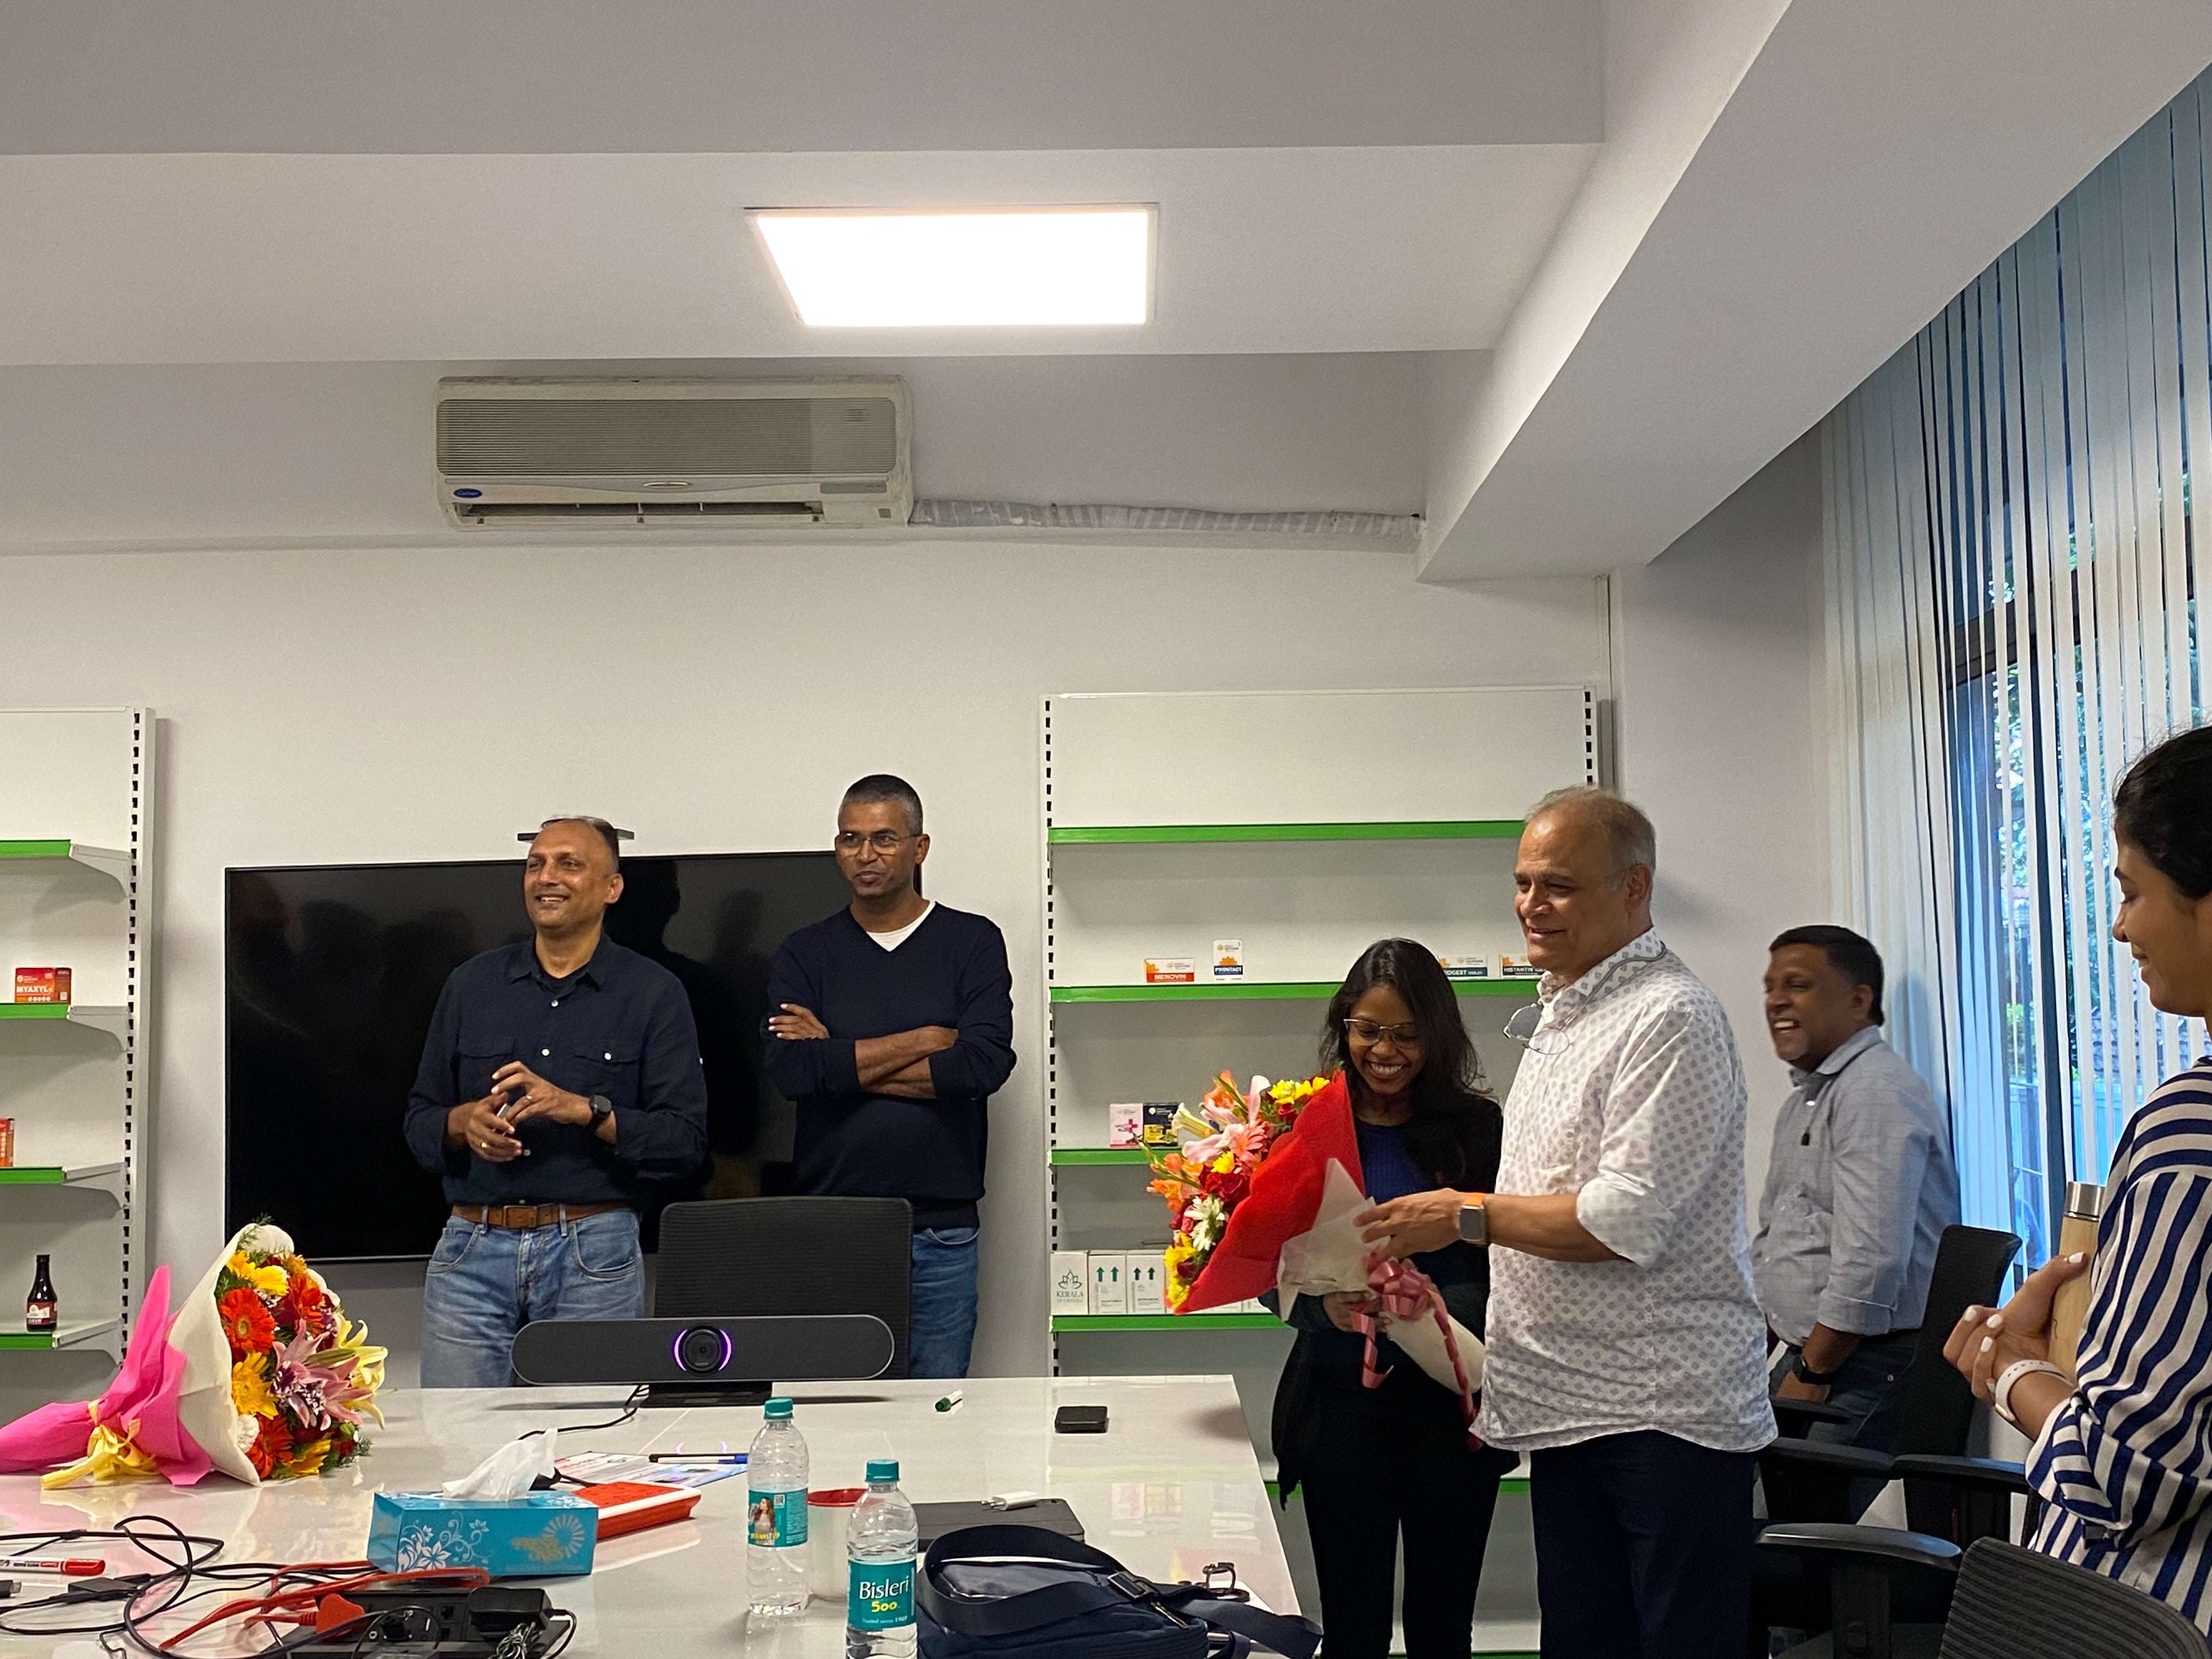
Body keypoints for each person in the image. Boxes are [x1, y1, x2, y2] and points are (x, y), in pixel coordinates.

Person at [1358, 786, 1774, 1659]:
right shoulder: (1567, 1011)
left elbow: (1630, 1218)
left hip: (1663, 1417)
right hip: (1572, 1407)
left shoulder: (1670, 1016)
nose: (1531, 906)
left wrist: (1464, 1215)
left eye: (1558, 886)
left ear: (1634, 889)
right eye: (1522, 883)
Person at [1944, 725, 2212, 1632]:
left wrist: (2011, 1366)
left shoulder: (2191, 1133)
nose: (2119, 925)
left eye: (2132, 891)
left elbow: (2121, 1477)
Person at [1264, 939, 1515, 1659]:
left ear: (1437, 1036)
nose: (1385, 1050)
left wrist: (1427, 1304)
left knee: (1443, 1626)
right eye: (1368, 1030)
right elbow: (1263, 1272)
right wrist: (1327, 1309)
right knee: (1353, 1625)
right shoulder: (1304, 1126)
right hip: (1340, 1403)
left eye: (1407, 1034)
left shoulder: (1479, 1131)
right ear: (1343, 1026)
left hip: (1452, 1406)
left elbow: (1515, 1266)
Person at [402, 816, 709, 1387]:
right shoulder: (471, 985)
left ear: (611, 888)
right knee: (453, 1450)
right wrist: (462, 1122)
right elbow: (418, 1121)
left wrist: (584, 1111)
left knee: (591, 1456)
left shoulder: (654, 992)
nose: (548, 878)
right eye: (536, 864)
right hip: (471, 1250)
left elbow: (684, 1142)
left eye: (569, 864)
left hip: (593, 1253)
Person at [764, 775, 1015, 1379]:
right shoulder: (805, 951)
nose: (865, 855)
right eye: (851, 839)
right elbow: (794, 1072)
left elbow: (982, 1065)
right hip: (834, 1224)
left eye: (883, 839)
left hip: (941, 1229)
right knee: (839, 1414)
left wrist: (840, 1058)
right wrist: (926, 1040)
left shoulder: (972, 942)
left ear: (919, 848)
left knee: (937, 1415)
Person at [1751, 925, 1958, 1465]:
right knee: (1722, 1497)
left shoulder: (1873, 1094)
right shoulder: (1811, 1098)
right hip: (1815, 1353)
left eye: (1797, 985)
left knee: (1774, 1534)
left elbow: (1871, 1262)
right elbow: (1776, 1236)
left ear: (1859, 1000)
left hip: (1856, 1363)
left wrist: (1811, 1371)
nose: (1776, 1001)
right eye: (1771, 987)